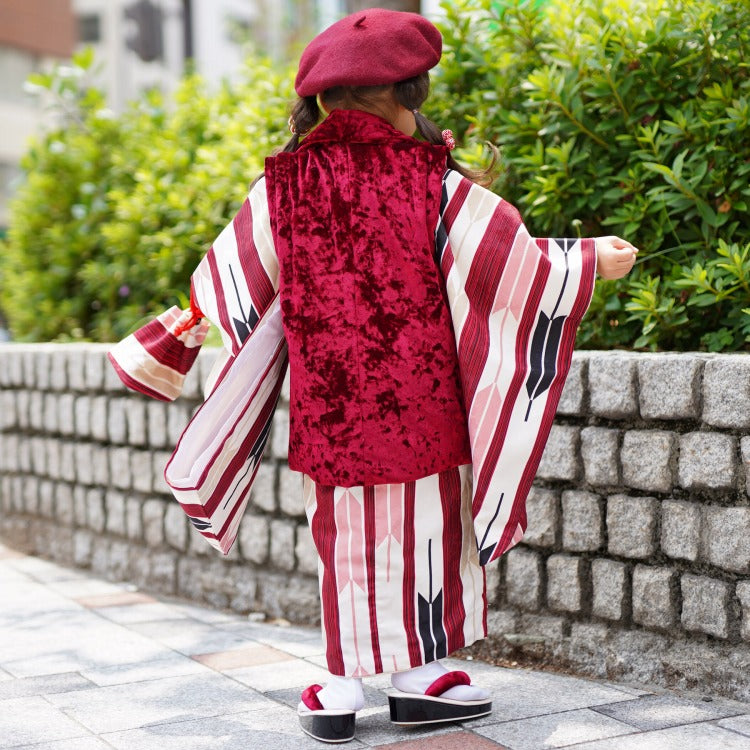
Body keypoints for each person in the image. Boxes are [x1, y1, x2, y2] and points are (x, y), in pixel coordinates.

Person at [109, 8, 637, 744]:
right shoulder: (430, 182)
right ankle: (418, 677)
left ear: (321, 101)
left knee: (344, 540)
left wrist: (167, 341)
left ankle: (338, 684)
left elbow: (230, 281)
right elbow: (507, 265)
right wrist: (590, 262)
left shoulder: (282, 187)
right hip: (421, 402)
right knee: (425, 533)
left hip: (331, 408)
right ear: (409, 94)